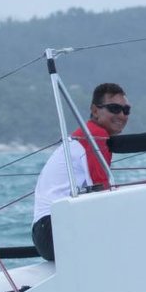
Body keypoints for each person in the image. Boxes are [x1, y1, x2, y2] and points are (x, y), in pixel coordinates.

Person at [31, 83, 130, 261]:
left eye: (126, 110)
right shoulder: (94, 138)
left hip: (46, 230)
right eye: (114, 109)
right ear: (95, 110)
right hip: (53, 230)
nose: (121, 115)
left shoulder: (87, 135)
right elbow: (103, 194)